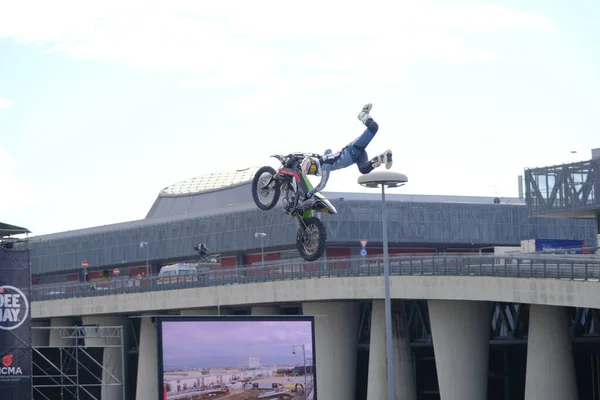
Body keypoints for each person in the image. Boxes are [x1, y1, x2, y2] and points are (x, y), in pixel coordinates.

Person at [298, 103, 392, 203]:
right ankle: (381, 158)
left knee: (374, 127)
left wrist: (310, 193)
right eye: (311, 172)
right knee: (364, 169)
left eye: (311, 169)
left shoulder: (325, 166)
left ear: (313, 164)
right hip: (356, 156)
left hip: (353, 149)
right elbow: (328, 150)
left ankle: (363, 115)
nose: (313, 172)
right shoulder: (323, 160)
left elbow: (322, 185)